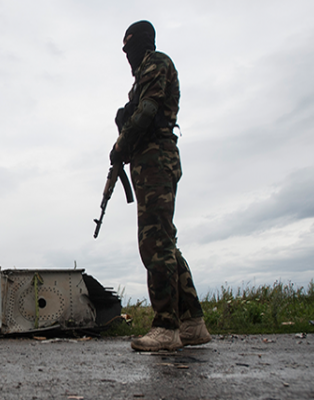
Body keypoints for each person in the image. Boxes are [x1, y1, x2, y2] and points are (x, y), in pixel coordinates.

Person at [110, 20, 211, 351]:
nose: (128, 56)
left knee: (154, 243)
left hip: (156, 159)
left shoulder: (156, 64)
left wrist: (121, 144)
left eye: (130, 48)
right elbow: (136, 112)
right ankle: (192, 322)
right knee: (165, 241)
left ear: (142, 44)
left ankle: (166, 326)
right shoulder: (142, 76)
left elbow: (147, 113)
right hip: (150, 160)